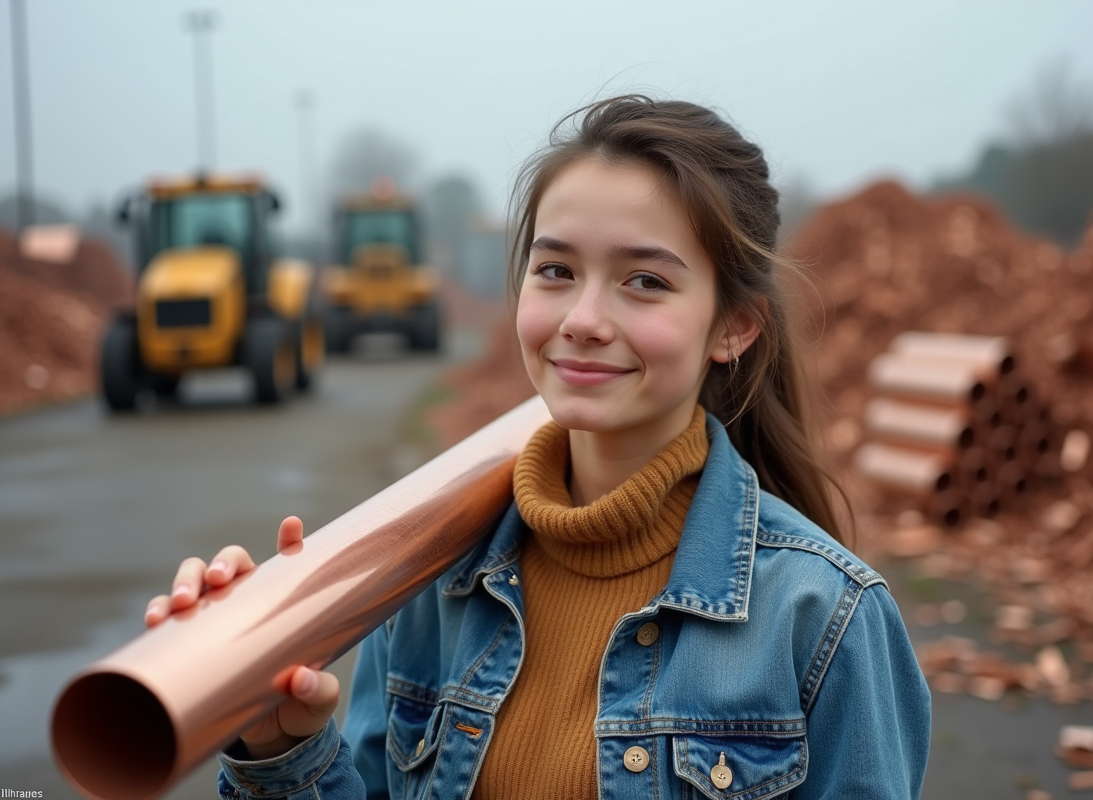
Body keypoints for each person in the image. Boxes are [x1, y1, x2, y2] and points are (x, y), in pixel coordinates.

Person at [146, 94, 931, 799]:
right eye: (555, 269)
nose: (582, 318)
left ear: (734, 326)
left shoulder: (826, 619)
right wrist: (282, 751)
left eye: (645, 281)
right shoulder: (425, 585)